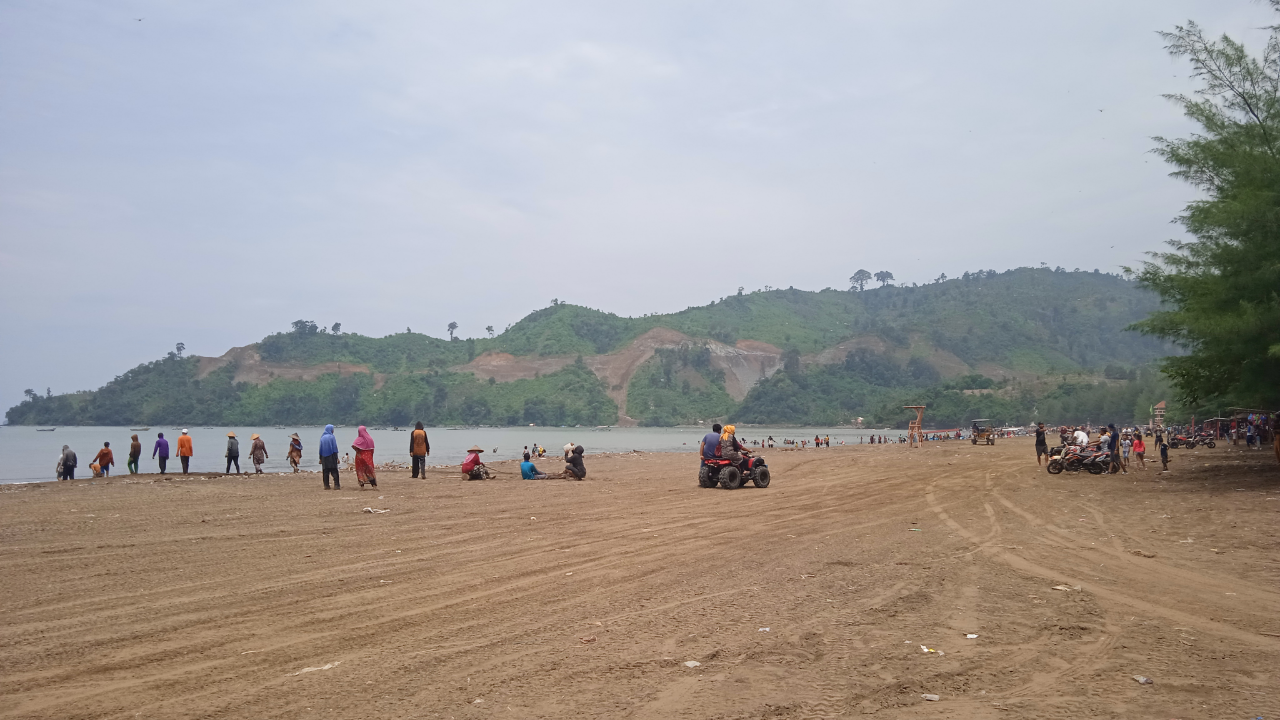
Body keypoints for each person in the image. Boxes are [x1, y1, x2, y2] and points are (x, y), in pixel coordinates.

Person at [319, 425, 341, 490]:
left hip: (324, 456)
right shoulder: (332, 437)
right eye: (333, 429)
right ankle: (336, 485)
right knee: (334, 471)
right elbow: (334, 448)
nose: (333, 430)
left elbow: (321, 449)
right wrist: (337, 457)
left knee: (325, 471)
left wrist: (320, 458)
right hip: (332, 456)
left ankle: (326, 485)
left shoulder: (322, 437)